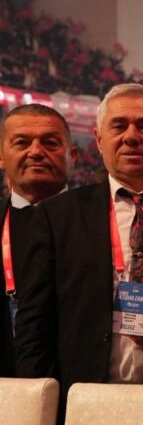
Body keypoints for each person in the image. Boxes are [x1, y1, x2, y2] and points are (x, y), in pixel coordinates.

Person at [16, 83, 143, 388]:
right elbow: (34, 325)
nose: (131, 136)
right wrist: (45, 402)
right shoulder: (58, 216)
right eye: (119, 126)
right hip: (83, 399)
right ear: (98, 139)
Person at [0, 104, 71, 378]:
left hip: (80, 389)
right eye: (22, 142)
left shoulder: (101, 221)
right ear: (2, 156)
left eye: (50, 143)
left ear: (73, 155)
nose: (36, 152)